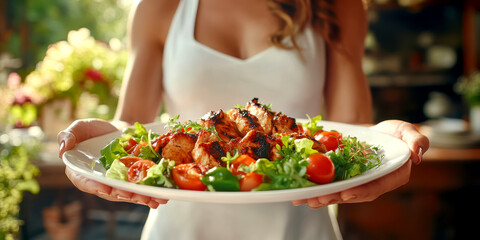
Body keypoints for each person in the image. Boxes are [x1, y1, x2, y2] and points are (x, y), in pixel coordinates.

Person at [58, 0, 429, 239]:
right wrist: (98, 141)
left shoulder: (337, 5)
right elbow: (133, 128)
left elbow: (348, 131)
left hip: (299, 230)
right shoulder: (159, 7)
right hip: (182, 231)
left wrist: (385, 143)